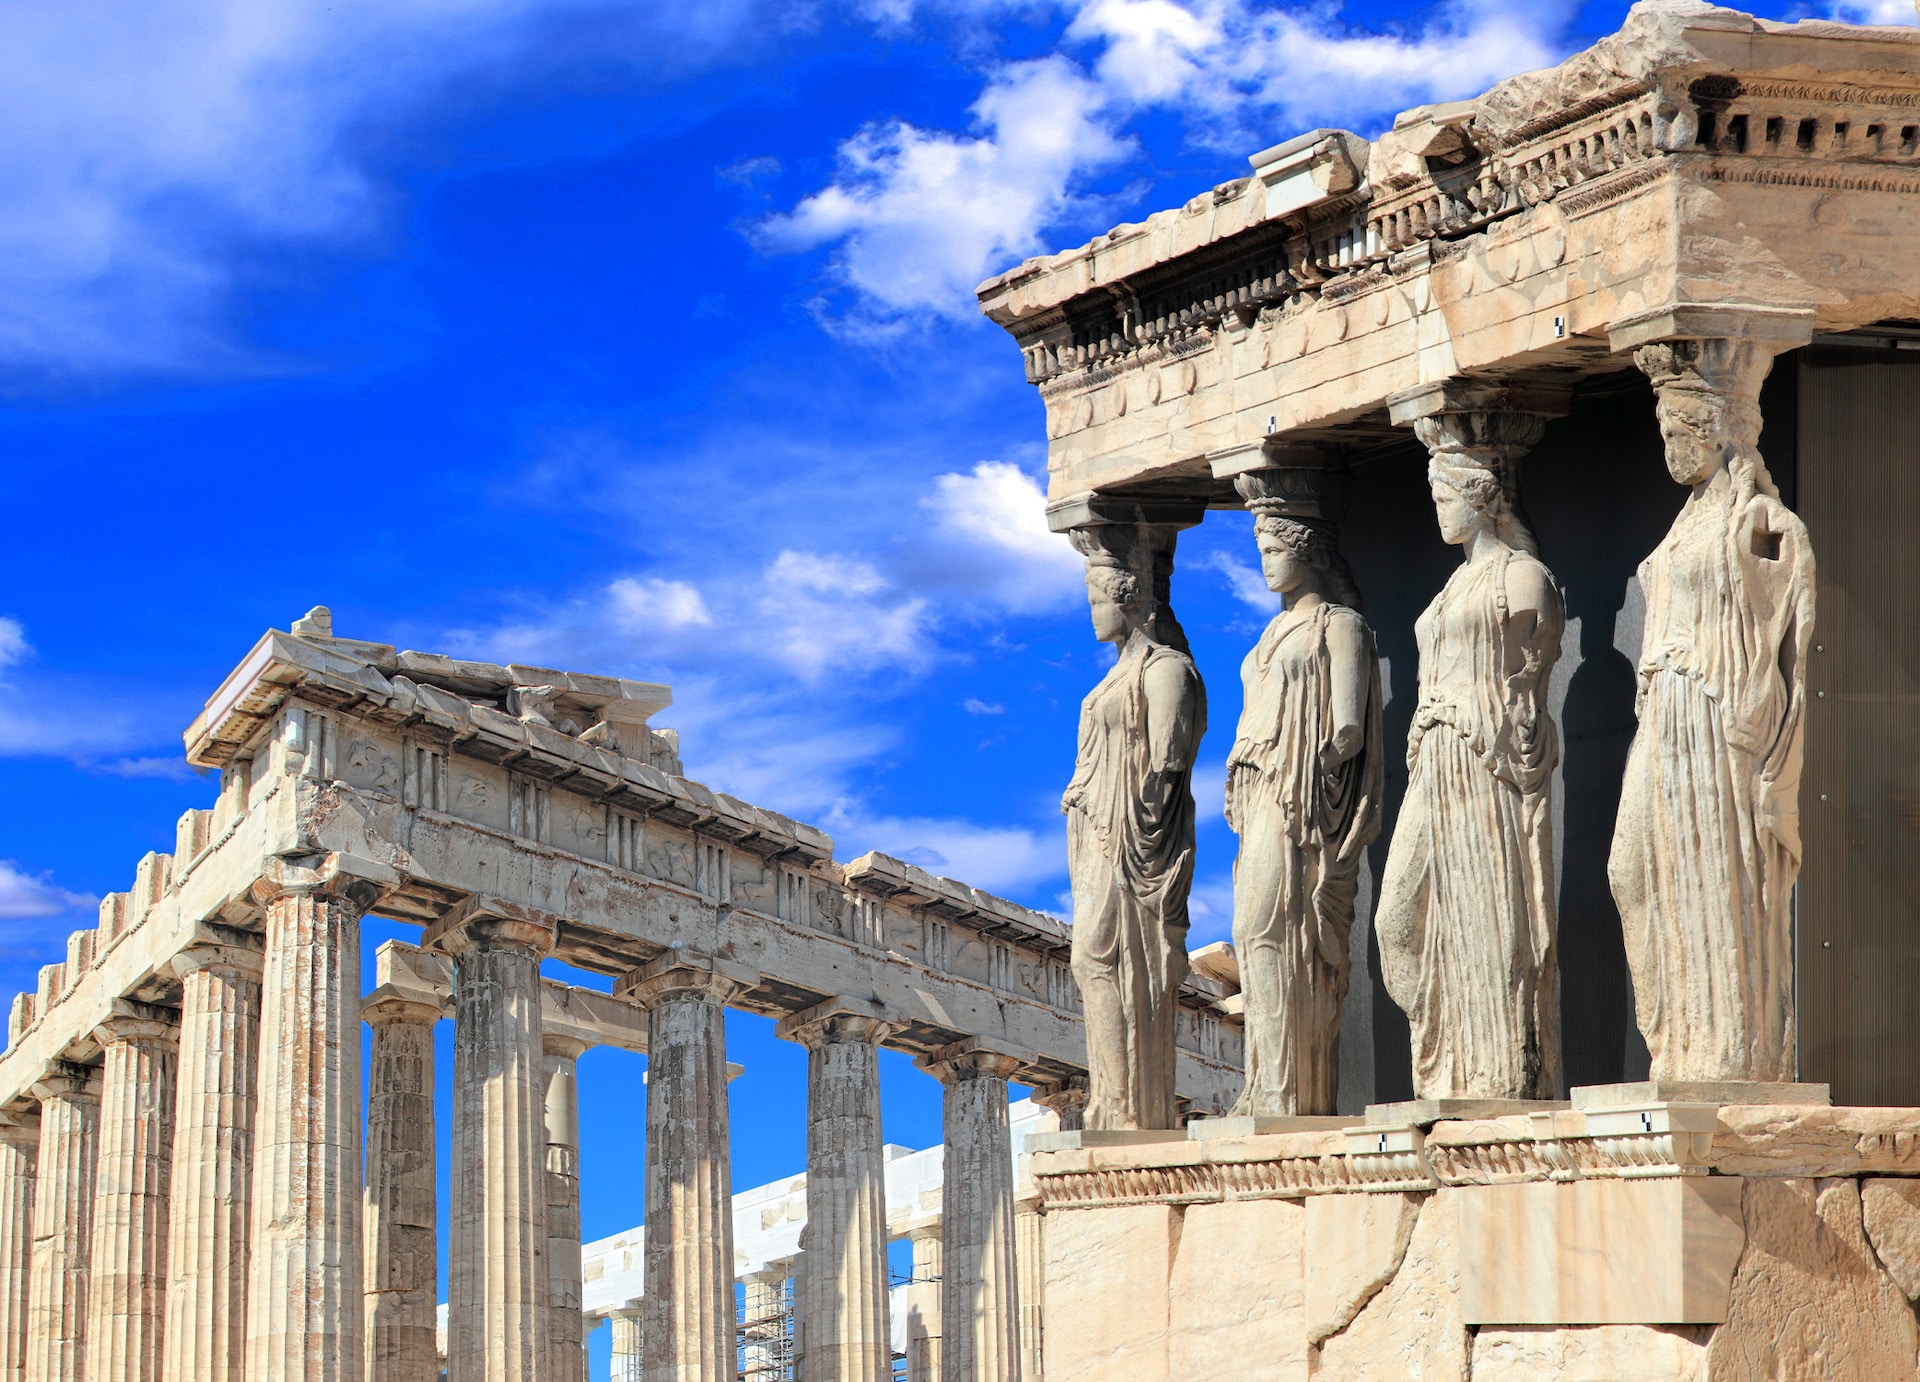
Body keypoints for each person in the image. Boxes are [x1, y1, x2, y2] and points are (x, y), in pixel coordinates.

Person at [1610, 342, 1815, 1081]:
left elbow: (1789, 633)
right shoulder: (1686, 522)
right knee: (1631, 871)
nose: (1669, 447)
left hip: (1718, 717)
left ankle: (1729, 1054)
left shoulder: (1759, 520)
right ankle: (1678, 1042)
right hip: (1665, 714)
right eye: (1664, 432)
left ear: (1721, 429)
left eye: (1680, 432)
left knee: (1720, 877)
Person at [1377, 435, 1565, 1100]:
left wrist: (1517, 735)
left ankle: (1496, 1071)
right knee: (1397, 919)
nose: (1439, 512)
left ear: (1481, 498)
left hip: (1482, 762)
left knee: (1490, 916)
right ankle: (1446, 1055)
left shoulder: (1520, 576)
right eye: (1433, 498)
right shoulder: (1455, 583)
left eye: (1445, 497)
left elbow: (1533, 683)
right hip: (1434, 759)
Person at [1225, 499, 1382, 1117]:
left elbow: (1348, 729)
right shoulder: (1269, 633)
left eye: (1273, 550)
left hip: (1300, 794)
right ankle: (1263, 1081)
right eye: (1259, 552)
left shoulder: (1340, 625)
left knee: (1280, 927)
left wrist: (1305, 771)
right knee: (1252, 930)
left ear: (1307, 550)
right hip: (1259, 791)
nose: (1264, 565)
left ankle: (1291, 1090)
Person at [1063, 535, 1206, 1131]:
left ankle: (1133, 1108)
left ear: (1127, 597)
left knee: (1114, 959)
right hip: (1096, 835)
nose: (1091, 610)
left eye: (1097, 597)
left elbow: (1168, 762)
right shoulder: (1117, 674)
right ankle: (1113, 1102)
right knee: (1091, 962)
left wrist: (1132, 819)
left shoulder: (1167, 668)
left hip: (1134, 840)